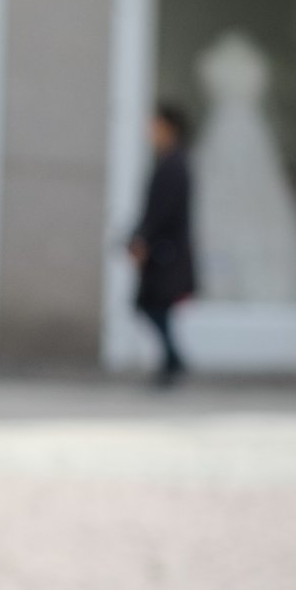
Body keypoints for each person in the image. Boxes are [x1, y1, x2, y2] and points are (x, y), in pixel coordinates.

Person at [129, 98, 195, 382]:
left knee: (153, 304)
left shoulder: (174, 165)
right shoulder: (169, 162)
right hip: (163, 248)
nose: (150, 131)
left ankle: (173, 361)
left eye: (154, 126)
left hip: (166, 251)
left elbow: (162, 210)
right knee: (153, 306)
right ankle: (172, 360)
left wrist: (143, 238)